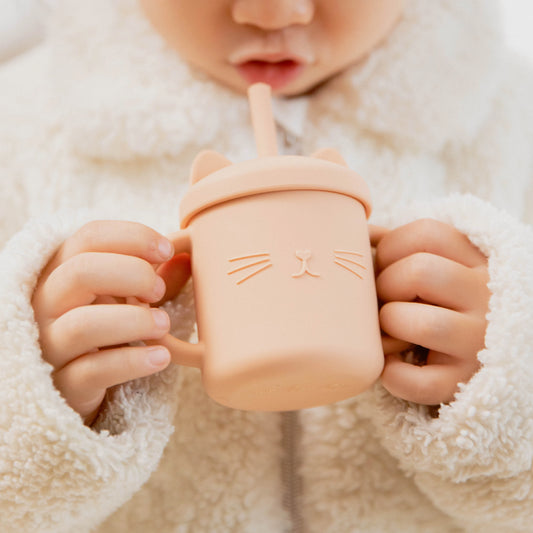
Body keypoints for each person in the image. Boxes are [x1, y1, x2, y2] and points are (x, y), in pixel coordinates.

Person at [1, 0, 532, 531]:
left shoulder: (515, 121)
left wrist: (511, 376)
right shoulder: (19, 130)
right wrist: (34, 396)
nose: (274, 14)